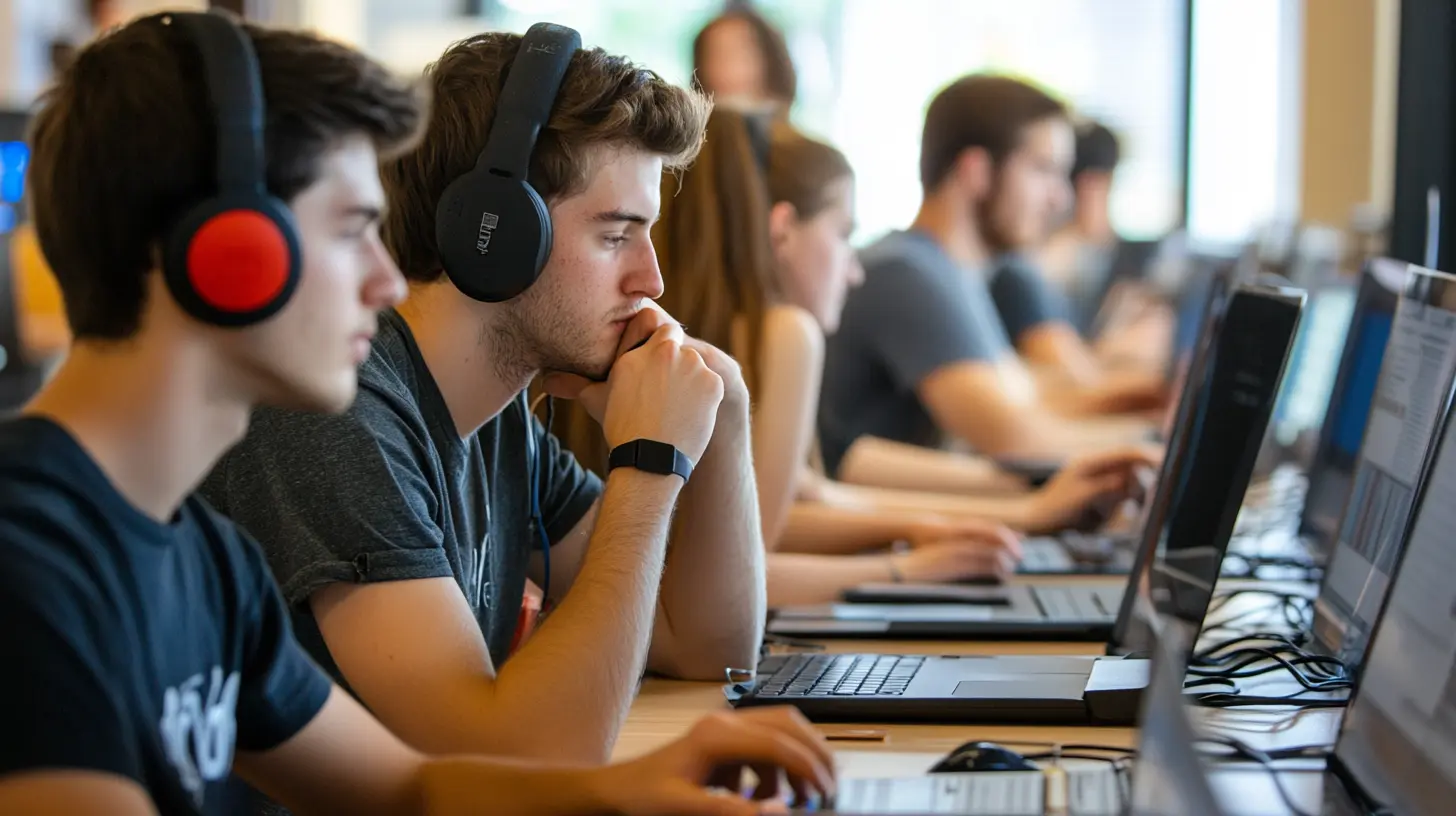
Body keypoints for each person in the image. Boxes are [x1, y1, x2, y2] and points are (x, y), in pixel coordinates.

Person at [0, 11, 835, 816]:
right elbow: (488, 757)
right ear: (229, 257)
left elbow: (416, 791)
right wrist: (649, 467)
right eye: (350, 230)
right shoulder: (31, 560)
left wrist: (630, 785)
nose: (388, 276)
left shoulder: (204, 560)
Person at [201, 26, 767, 773]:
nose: (652, 280)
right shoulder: (339, 416)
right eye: (615, 237)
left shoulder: (498, 424)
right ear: (494, 236)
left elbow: (706, 647)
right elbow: (522, 756)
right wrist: (648, 464)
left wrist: (722, 410)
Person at [553, 108, 1155, 605]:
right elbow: (756, 556)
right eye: (843, 233)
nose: (855, 266)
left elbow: (812, 491)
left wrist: (989, 518)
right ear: (783, 231)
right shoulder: (789, 330)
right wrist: (911, 567)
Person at [818, 74, 1162, 489]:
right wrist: (1156, 442)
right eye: (1042, 170)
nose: (1061, 198)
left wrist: (1144, 414)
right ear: (977, 171)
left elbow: (1024, 397)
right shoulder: (906, 274)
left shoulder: (957, 273)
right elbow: (1018, 441)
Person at [691, 3, 796, 113]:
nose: (727, 67)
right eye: (715, 54)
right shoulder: (693, 125)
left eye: (740, 53)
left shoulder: (783, 128)